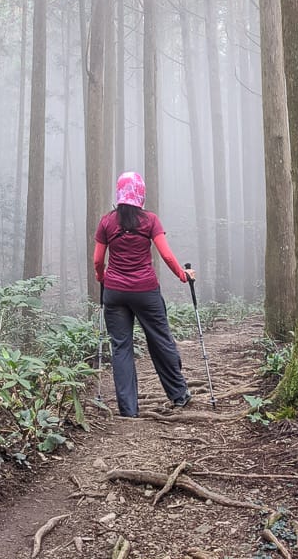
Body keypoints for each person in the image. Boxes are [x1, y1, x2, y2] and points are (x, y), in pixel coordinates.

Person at [93, 171, 196, 418]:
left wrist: (102, 278)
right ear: (141, 193)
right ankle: (179, 396)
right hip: (146, 292)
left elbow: (98, 260)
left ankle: (128, 410)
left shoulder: (107, 222)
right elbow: (167, 255)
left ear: (119, 193)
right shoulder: (150, 220)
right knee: (160, 340)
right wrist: (184, 275)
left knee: (121, 348)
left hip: (115, 293)